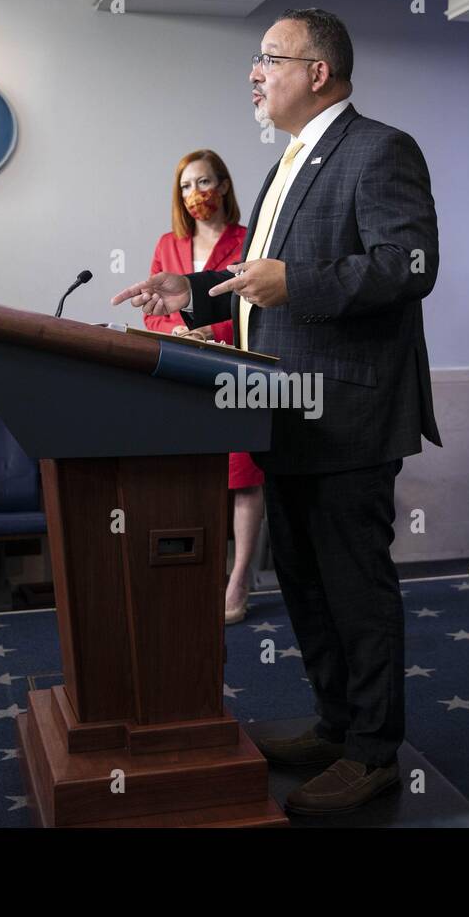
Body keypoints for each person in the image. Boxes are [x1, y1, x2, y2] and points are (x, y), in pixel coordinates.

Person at [111, 8, 440, 814]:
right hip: (283, 413)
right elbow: (264, 287)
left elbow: (410, 266)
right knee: (303, 583)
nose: (254, 74)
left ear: (317, 72)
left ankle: (372, 752)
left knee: (354, 590)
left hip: (348, 418)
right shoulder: (288, 158)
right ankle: (334, 722)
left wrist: (299, 281)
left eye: (268, 59)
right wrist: (187, 293)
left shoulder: (380, 149)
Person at [140, 149, 263, 624]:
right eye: (187, 186)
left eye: (205, 182)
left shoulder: (250, 240)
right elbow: (152, 308)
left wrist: (211, 331)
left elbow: (257, 310)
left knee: (243, 476)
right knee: (190, 476)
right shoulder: (168, 244)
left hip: (235, 372)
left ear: (225, 185)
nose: (196, 194)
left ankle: (238, 580)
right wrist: (175, 330)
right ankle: (196, 574)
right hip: (179, 373)